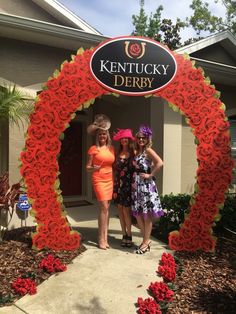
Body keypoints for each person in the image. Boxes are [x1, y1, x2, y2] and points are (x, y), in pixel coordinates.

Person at [132, 125, 164, 254]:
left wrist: (150, 175)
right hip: (137, 185)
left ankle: (145, 242)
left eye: (143, 138)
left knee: (146, 215)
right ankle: (146, 240)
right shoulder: (137, 151)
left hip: (146, 186)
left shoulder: (148, 150)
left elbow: (160, 163)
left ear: (147, 138)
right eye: (139, 138)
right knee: (138, 214)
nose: (141, 140)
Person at [86, 114, 115, 250]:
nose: (102, 136)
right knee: (103, 207)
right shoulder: (93, 149)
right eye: (100, 135)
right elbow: (87, 168)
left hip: (110, 179)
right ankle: (100, 238)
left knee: (107, 208)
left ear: (107, 135)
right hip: (98, 179)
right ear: (97, 136)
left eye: (104, 134)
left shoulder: (111, 149)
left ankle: (105, 236)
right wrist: (94, 168)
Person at [113, 129, 135, 248]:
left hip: (128, 185)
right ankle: (124, 234)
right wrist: (114, 186)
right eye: (122, 138)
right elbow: (115, 171)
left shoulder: (133, 153)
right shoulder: (117, 153)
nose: (124, 140)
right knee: (120, 210)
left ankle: (130, 234)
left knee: (127, 211)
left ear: (129, 140)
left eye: (126, 138)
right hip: (118, 185)